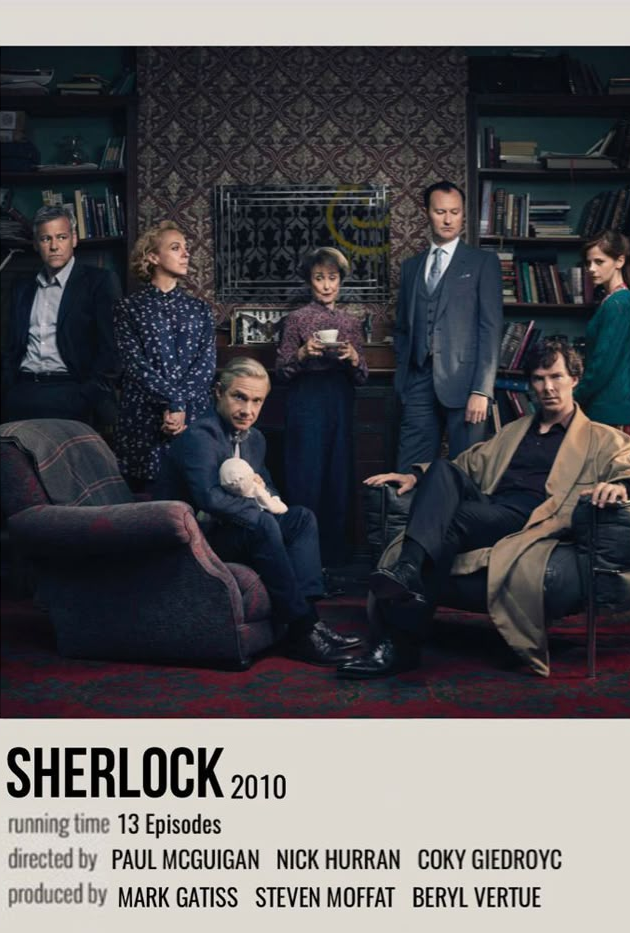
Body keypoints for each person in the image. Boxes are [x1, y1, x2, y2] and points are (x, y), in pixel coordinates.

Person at [338, 339, 630, 680]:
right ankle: (408, 574)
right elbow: (468, 464)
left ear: (574, 379)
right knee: (443, 469)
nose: (547, 387)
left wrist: (622, 485)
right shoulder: (516, 430)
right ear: (529, 384)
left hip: (530, 517)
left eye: (556, 376)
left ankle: (399, 638)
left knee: (452, 523)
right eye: (538, 379)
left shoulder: (601, 437)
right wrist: (414, 475)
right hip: (491, 507)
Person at [153, 357, 361, 666]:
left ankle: (310, 620)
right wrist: (262, 515)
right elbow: (209, 499)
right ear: (218, 393)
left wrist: (267, 500)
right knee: (264, 524)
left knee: (301, 518)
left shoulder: (255, 439)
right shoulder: (200, 436)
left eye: (257, 401)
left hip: (236, 530)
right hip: (197, 540)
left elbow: (271, 490)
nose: (247, 409)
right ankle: (303, 629)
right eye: (239, 397)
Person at [392, 180, 503, 470]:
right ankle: (412, 518)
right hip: (418, 382)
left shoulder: (483, 263)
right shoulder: (410, 268)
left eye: (455, 212)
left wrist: (482, 390)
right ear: (426, 213)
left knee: (465, 471)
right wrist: (403, 380)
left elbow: (490, 329)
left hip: (466, 386)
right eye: (441, 211)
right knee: (409, 470)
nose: (449, 219)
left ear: (463, 213)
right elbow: (402, 328)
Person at [275, 247, 369, 567]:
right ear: (309, 281)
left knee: (337, 481)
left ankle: (335, 562)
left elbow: (362, 377)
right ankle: (303, 562)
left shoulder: (351, 323)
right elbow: (282, 372)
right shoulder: (296, 320)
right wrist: (302, 354)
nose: (326, 285)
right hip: (305, 403)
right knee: (305, 480)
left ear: (340, 281)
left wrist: (354, 358)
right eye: (319, 278)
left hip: (340, 404)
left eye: (332, 278)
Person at [113, 221, 216, 488]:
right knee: (146, 500)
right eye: (175, 247)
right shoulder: (129, 308)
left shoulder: (200, 309)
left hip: (193, 414)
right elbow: (134, 365)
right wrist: (174, 402)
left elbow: (206, 366)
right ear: (153, 257)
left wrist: (180, 406)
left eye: (186, 248)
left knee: (194, 491)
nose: (186, 253)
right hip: (144, 416)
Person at [1, 204, 121, 426]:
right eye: (46, 239)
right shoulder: (21, 287)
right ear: (36, 244)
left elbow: (111, 351)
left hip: (73, 393)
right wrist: (9, 390)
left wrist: (86, 396)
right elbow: (10, 345)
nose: (54, 246)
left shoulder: (99, 282)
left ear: (74, 239)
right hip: (23, 393)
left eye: (62, 237)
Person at [575, 229, 630, 444]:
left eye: (599, 262)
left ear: (619, 261)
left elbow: (603, 365)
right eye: (588, 263)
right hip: (612, 405)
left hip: (610, 410)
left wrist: (575, 396)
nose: (591, 269)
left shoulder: (618, 304)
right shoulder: (617, 300)